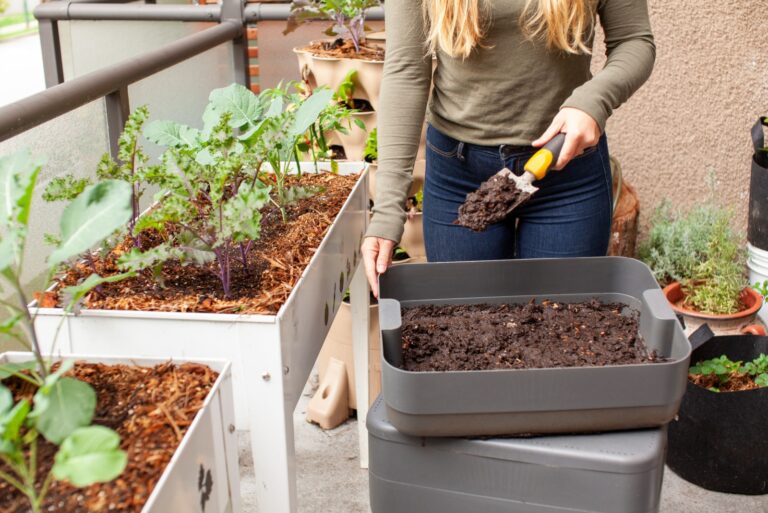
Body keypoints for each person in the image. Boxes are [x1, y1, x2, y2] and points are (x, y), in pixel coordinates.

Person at [362, 0, 655, 297]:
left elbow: (634, 41)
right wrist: (387, 210)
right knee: (467, 329)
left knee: (560, 331)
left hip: (566, 172)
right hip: (459, 176)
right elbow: (407, 70)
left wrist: (593, 102)